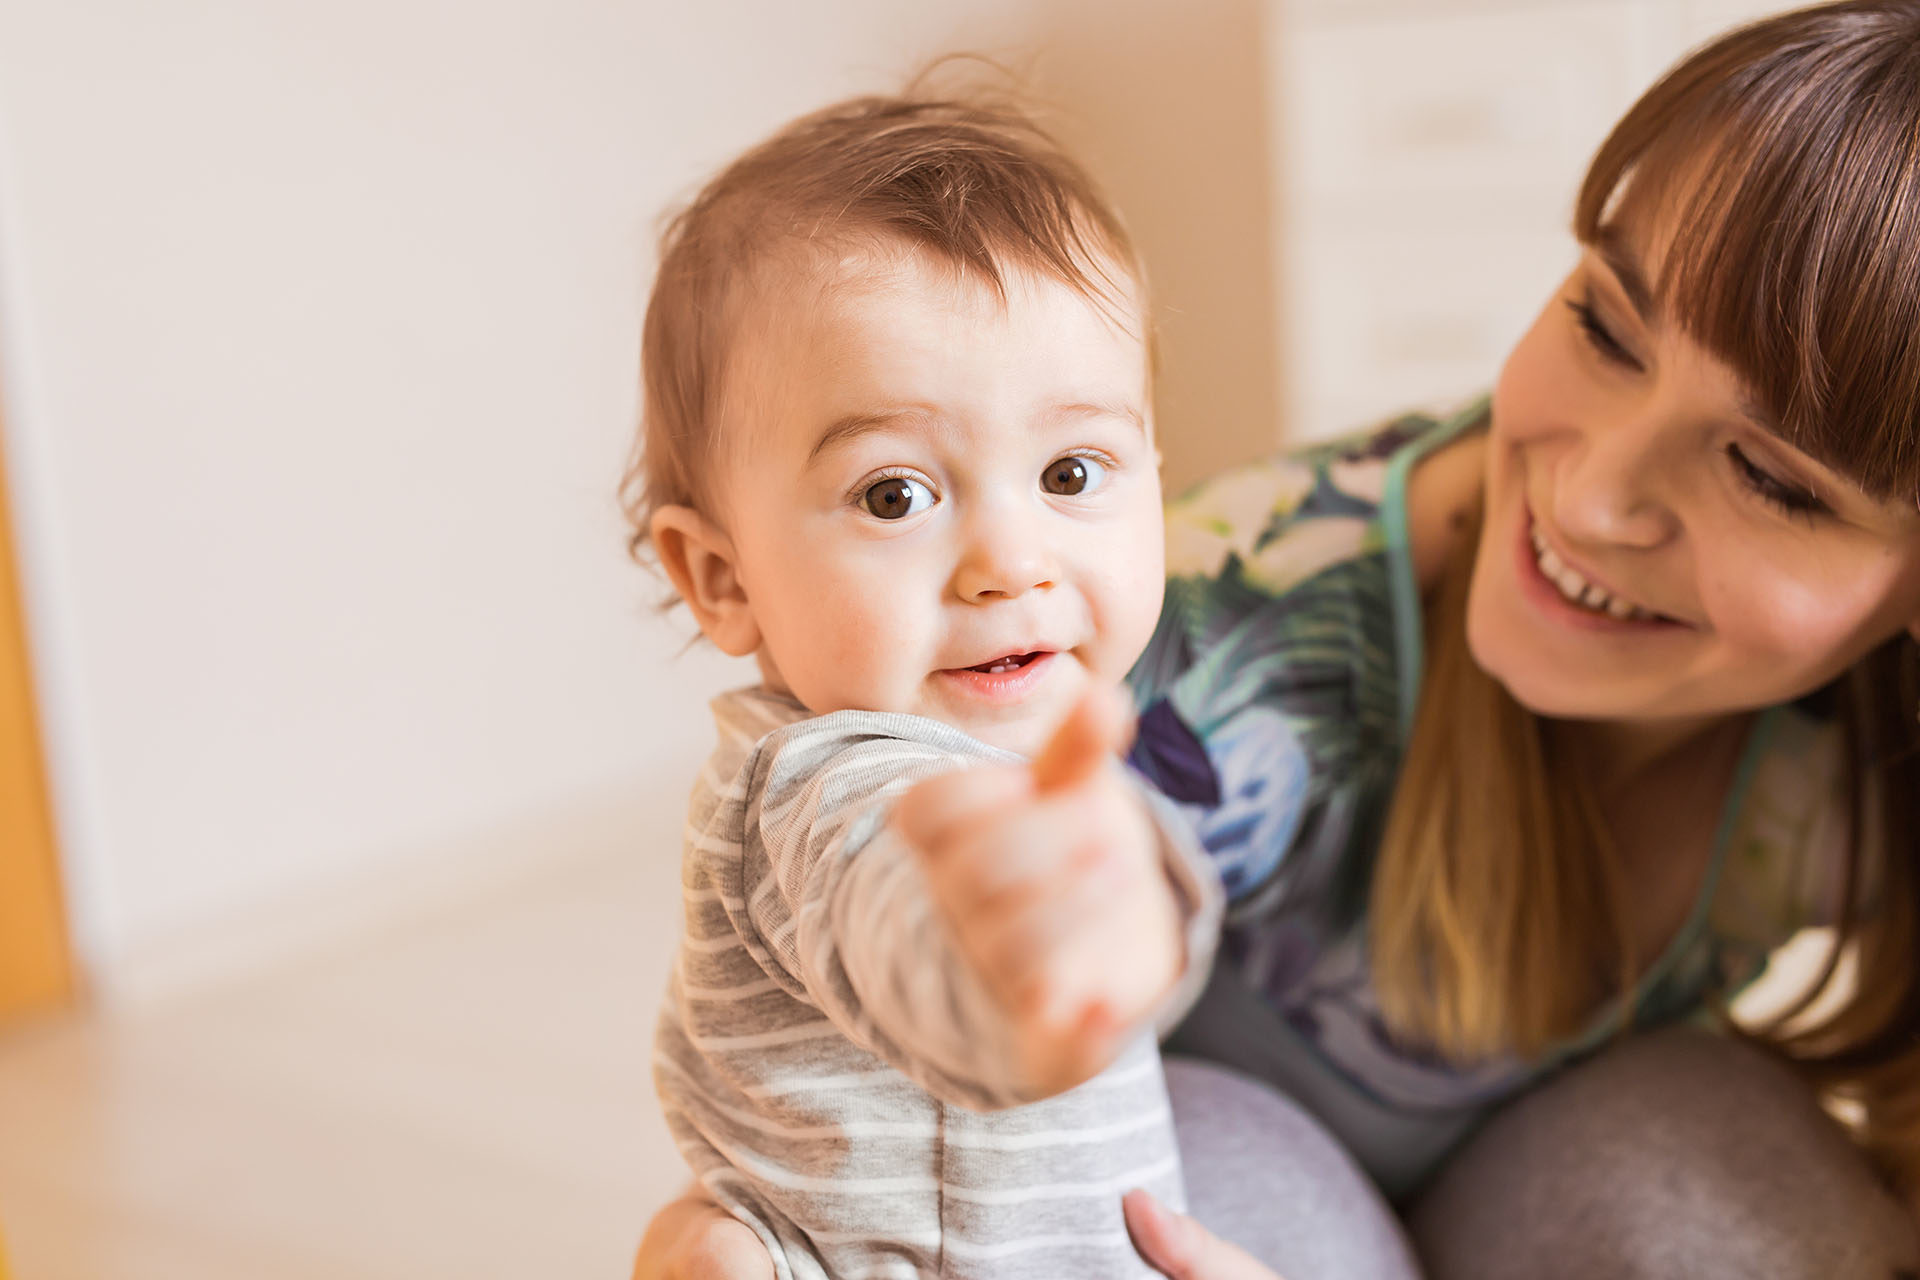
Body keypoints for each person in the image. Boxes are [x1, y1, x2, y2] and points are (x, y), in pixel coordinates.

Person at [635, 3, 1920, 1275]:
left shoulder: (1862, 762)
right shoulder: (1170, 663)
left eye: (1773, 477)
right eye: (1603, 324)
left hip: (1556, 1150)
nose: (1588, 499)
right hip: (1229, 1171)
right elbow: (890, 904)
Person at [627, 86, 1225, 1279]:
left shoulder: (1058, 734)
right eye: (895, 493)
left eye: (1070, 469)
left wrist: (1129, 921)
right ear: (723, 576)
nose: (1012, 560)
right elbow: (897, 912)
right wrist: (1018, 972)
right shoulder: (822, 780)